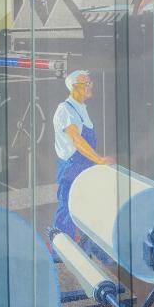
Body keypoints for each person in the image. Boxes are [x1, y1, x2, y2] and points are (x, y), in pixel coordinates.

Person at [51, 70, 114, 239]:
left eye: (90, 83)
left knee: (88, 205)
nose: (89, 87)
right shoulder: (65, 109)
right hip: (71, 166)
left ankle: (89, 247)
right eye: (85, 84)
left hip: (85, 164)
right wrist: (99, 160)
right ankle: (61, 249)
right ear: (73, 87)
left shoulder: (81, 108)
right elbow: (77, 140)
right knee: (67, 206)